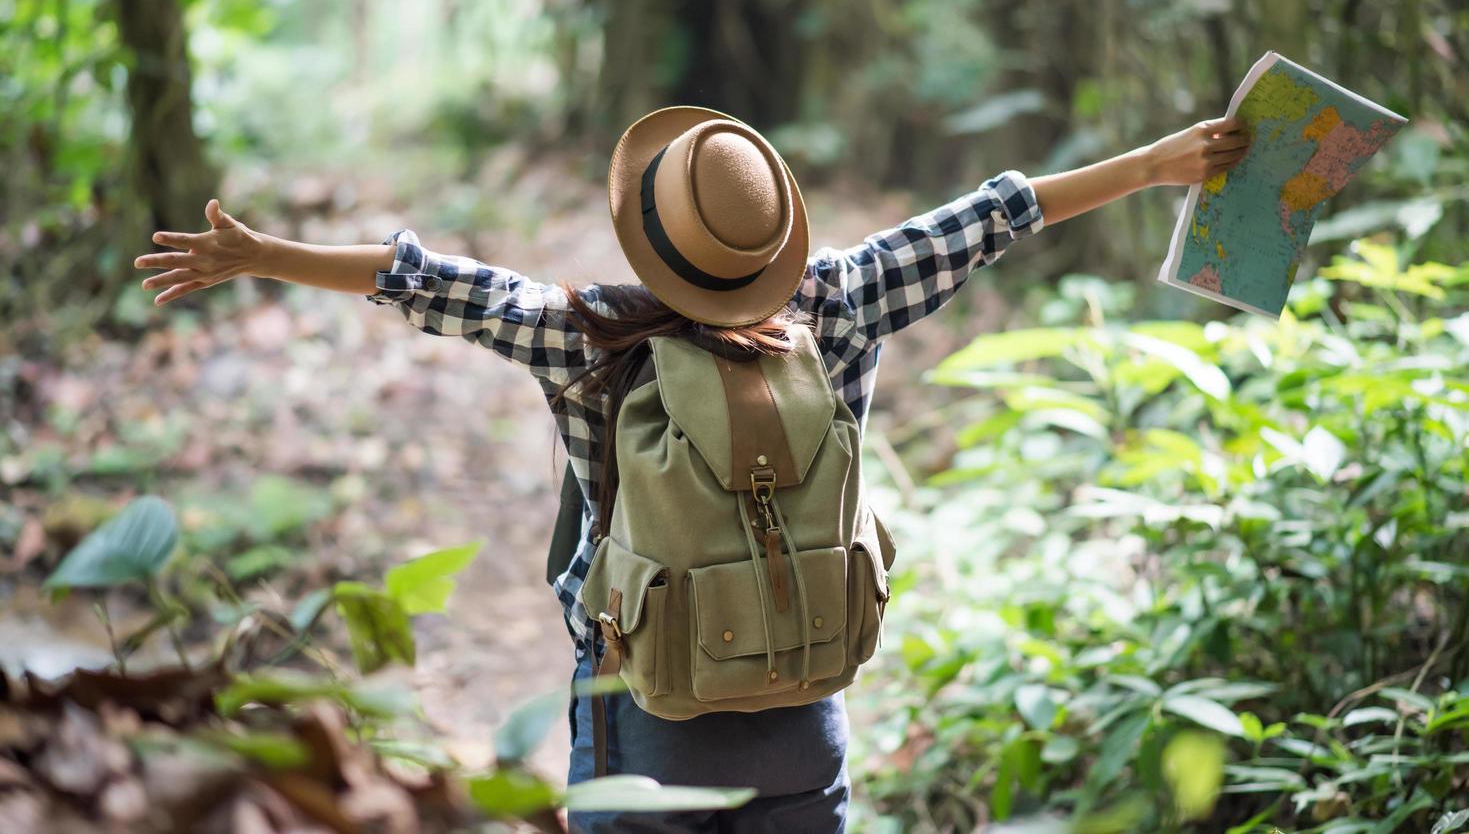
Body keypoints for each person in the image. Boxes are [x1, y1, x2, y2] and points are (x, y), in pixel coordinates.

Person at [134, 107, 1249, 832]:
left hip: (641, 713)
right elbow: (989, 218)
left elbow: (432, 280)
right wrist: (1153, 164)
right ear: (773, 238)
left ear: (648, 236)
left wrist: (260, 252)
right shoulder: (842, 305)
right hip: (803, 705)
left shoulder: (589, 338)